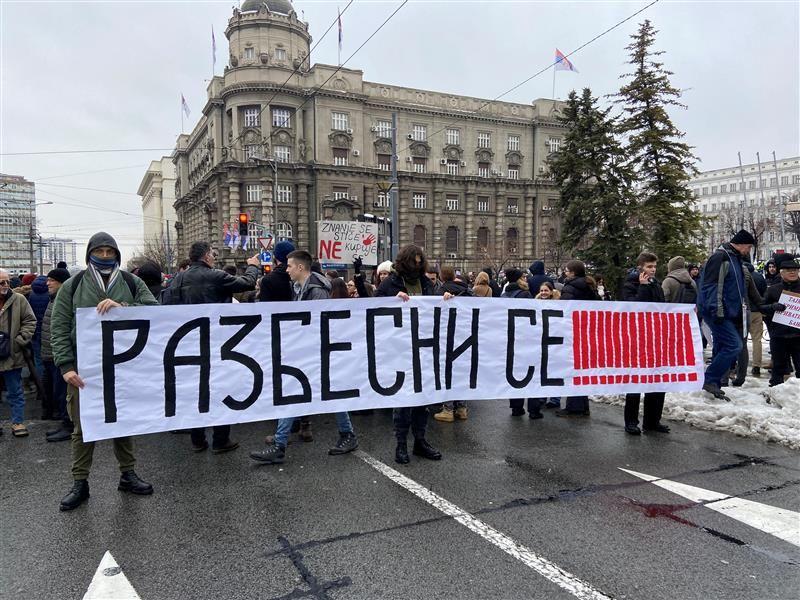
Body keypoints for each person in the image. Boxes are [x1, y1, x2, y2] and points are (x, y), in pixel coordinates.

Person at [51, 232, 158, 511]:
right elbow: (59, 328)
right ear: (90, 253)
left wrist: (123, 308)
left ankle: (128, 474)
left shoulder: (131, 282)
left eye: (110, 252)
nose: (106, 256)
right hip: (83, 372)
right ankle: (80, 483)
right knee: (82, 428)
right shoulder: (73, 286)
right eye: (100, 251)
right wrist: (66, 366)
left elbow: (153, 311)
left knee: (123, 423)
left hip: (122, 370)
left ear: (117, 254)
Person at [250, 250, 359, 465]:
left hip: (315, 351)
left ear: (300, 268)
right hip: (308, 351)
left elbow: (316, 323)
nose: (286, 270)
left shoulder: (316, 290)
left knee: (311, 393)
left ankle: (282, 445)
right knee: (314, 394)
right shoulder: (299, 287)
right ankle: (345, 435)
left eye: (289, 266)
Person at [165, 240, 260, 454]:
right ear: (207, 256)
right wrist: (253, 265)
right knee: (220, 388)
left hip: (189, 344)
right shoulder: (214, 275)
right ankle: (220, 439)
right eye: (213, 254)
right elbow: (246, 283)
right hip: (218, 342)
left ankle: (197, 439)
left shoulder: (177, 279)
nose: (215, 257)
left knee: (196, 391)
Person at [375, 244, 443, 464]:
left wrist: (447, 300)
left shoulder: (426, 283)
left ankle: (420, 441)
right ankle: (401, 444)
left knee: (422, 399)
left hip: (423, 349)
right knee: (403, 400)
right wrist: (392, 300)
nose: (416, 265)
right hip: (399, 349)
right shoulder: (390, 283)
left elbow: (434, 310)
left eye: (419, 261)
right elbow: (373, 308)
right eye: (413, 261)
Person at [697, 230, 754, 400]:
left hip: (728, 312)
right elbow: (711, 286)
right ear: (742, 244)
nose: (749, 251)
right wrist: (717, 310)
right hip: (717, 312)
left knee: (722, 346)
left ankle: (714, 382)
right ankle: (709, 378)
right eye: (749, 247)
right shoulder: (720, 257)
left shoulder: (734, 258)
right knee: (734, 346)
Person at [622, 253, 669, 434]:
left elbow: (661, 307)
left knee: (657, 381)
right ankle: (631, 422)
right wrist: (642, 288)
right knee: (636, 381)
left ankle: (652, 421)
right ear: (641, 267)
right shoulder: (630, 284)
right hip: (637, 339)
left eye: (654, 267)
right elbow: (634, 308)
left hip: (655, 338)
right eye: (649, 267)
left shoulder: (655, 284)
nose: (653, 270)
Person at [558, 260, 598, 417]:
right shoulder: (590, 286)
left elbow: (564, 310)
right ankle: (583, 405)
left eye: (567, 271)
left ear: (573, 272)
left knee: (572, 369)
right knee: (581, 369)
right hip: (587, 331)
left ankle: (574, 407)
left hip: (572, 332)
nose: (565, 273)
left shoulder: (570, 287)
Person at [0, 268, 37, 437]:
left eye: (7, 281)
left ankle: (18, 423)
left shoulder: (19, 299)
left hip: (12, 354)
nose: (6, 285)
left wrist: (20, 340)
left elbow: (30, 320)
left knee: (15, 391)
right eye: (2, 282)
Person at [41, 268, 73, 442]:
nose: (48, 283)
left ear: (62, 283)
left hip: (59, 357)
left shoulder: (65, 301)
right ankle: (64, 422)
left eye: (51, 280)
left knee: (63, 394)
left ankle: (69, 426)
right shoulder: (53, 299)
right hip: (49, 356)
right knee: (57, 393)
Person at [760, 256, 800, 387]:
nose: (793, 272)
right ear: (781, 272)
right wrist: (773, 307)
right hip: (779, 335)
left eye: (795, 269)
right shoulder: (773, 289)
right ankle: (775, 393)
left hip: (798, 335)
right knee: (778, 367)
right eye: (789, 270)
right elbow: (761, 307)